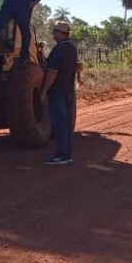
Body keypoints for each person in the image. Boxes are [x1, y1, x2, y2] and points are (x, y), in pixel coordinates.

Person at [40, 21, 78, 165]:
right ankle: (67, 153)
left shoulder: (59, 50)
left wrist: (44, 91)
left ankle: (61, 155)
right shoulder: (72, 49)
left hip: (57, 93)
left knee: (59, 124)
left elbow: (52, 73)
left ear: (62, 33)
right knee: (66, 124)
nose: (53, 33)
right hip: (68, 92)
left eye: (55, 31)